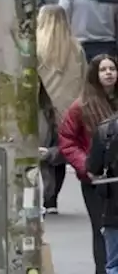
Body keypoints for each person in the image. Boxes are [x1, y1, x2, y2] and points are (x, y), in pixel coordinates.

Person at [59, 53, 118, 273]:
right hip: (97, 182)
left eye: (112, 68)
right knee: (102, 229)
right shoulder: (80, 107)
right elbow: (68, 141)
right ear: (94, 75)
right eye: (103, 70)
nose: (109, 73)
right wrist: (86, 166)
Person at [38, 3, 86, 213]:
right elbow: (84, 79)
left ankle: (44, 196)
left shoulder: (34, 47)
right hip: (68, 108)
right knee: (59, 153)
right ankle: (52, 200)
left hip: (42, 107)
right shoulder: (76, 48)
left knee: (40, 152)